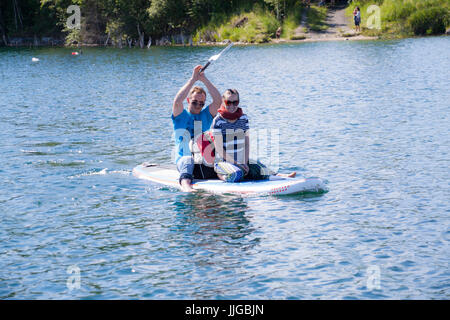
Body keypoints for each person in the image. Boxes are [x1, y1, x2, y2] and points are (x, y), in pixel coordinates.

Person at [211, 89, 296, 183]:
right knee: (237, 174)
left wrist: (245, 162)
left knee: (261, 170)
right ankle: (222, 176)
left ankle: (282, 177)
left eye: (235, 102)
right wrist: (237, 163)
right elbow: (219, 149)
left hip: (241, 161)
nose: (232, 106)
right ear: (223, 101)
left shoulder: (243, 118)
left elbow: (246, 143)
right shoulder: (218, 121)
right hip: (223, 162)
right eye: (228, 102)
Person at [172, 65, 222, 192]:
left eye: (201, 104)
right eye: (194, 102)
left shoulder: (205, 115)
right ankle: (185, 185)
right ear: (188, 100)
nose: (198, 106)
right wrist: (193, 79)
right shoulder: (180, 115)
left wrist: (204, 79)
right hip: (184, 159)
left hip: (204, 160)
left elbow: (218, 101)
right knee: (188, 159)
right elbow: (177, 101)